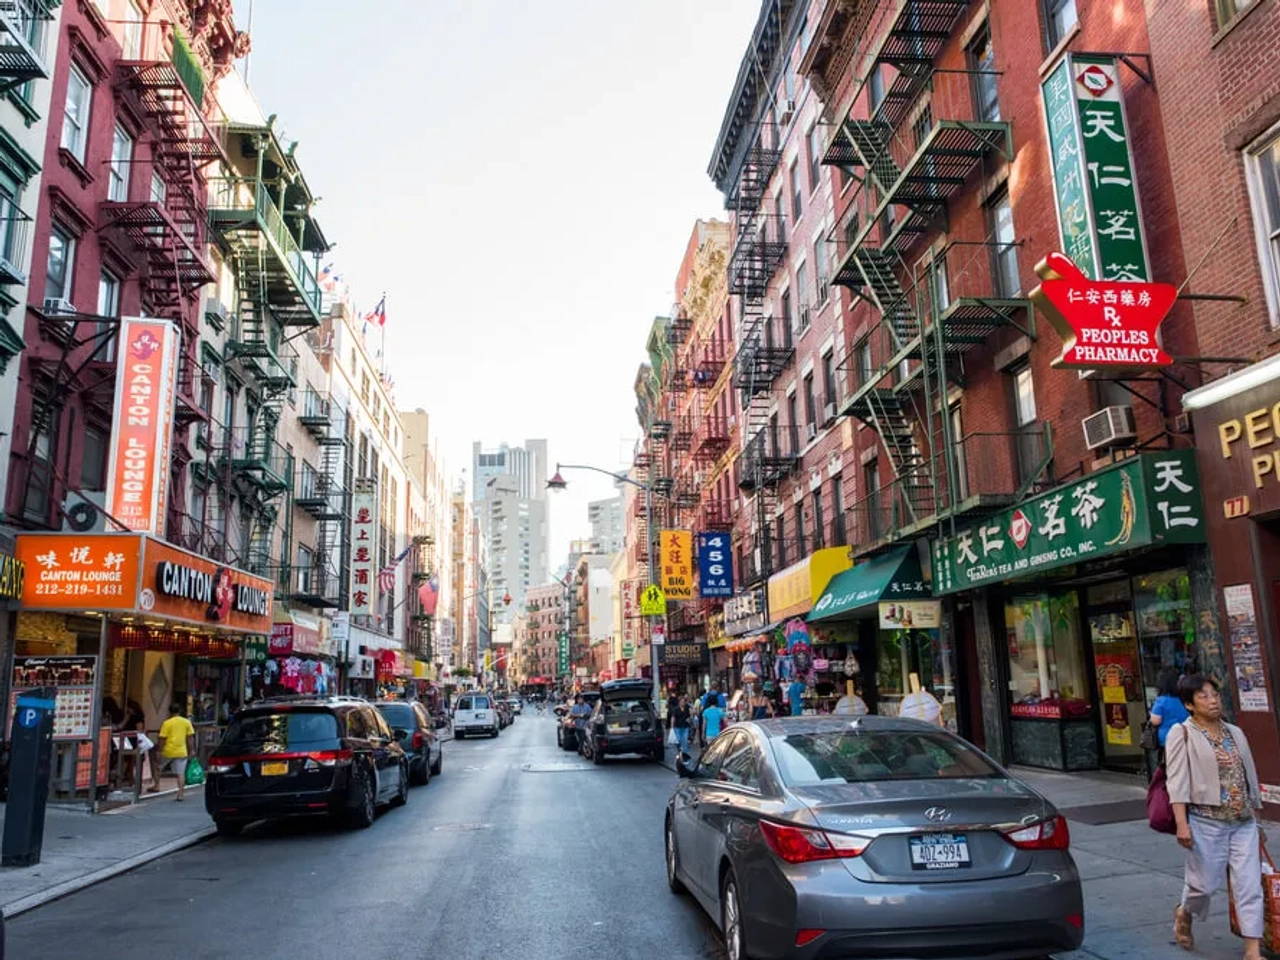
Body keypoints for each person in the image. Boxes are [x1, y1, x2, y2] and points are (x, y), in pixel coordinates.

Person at [1166, 674, 1263, 958]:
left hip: (1243, 821)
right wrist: (1182, 824)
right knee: (1203, 887)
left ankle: (1252, 950)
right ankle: (1184, 913)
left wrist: (1256, 815)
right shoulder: (1181, 733)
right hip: (1206, 822)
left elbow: (1247, 776)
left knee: (1249, 885)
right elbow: (1177, 782)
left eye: (1215, 694)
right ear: (1189, 704)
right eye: (1204, 696)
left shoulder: (1235, 732)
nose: (1213, 700)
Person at [157, 703, 197, 801]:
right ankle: (181, 794)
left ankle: (156, 785)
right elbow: (190, 738)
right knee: (181, 773)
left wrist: (159, 750)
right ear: (180, 711)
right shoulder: (186, 722)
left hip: (168, 751)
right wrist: (191, 750)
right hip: (181, 751)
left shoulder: (167, 723)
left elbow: (162, 738)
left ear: (170, 712)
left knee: (158, 767)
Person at [1149, 667, 1190, 752]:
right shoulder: (1184, 697)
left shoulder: (1161, 700)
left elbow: (1156, 721)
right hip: (1186, 734)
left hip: (1167, 738)